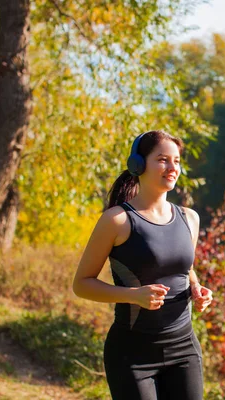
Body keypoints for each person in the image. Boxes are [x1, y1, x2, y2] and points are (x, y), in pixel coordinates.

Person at [72, 130, 213, 400]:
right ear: (138, 164)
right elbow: (81, 284)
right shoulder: (118, 220)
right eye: (162, 159)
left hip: (184, 349)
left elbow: (184, 268)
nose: (172, 168)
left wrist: (197, 289)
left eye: (177, 161)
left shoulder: (189, 218)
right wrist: (132, 296)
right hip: (132, 354)